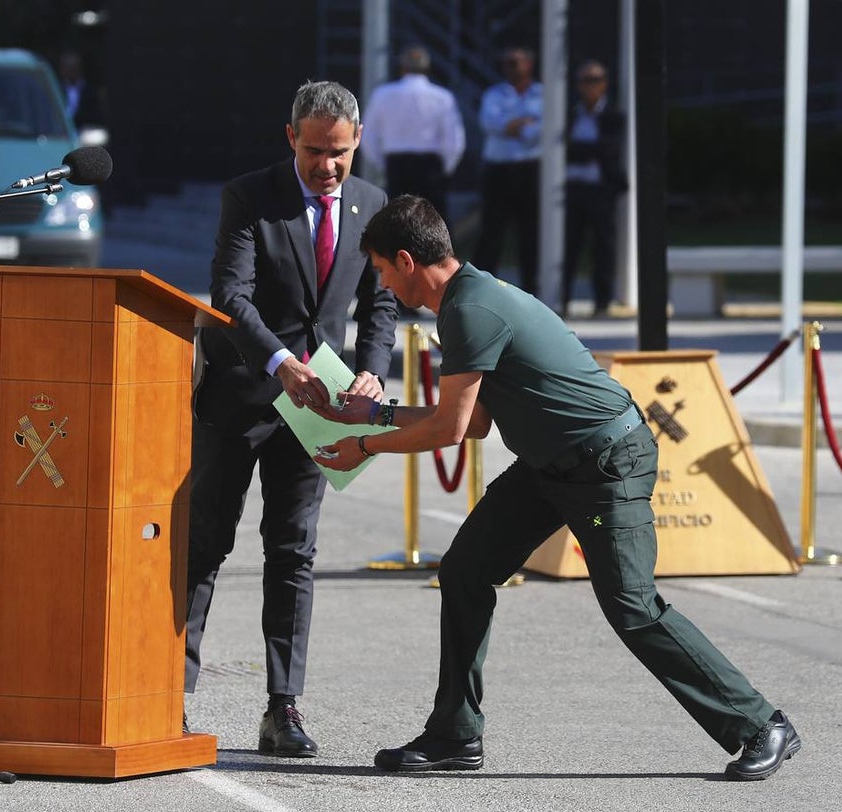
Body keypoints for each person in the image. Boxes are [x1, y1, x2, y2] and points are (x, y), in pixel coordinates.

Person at [313, 196, 801, 780]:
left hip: (605, 463)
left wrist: (363, 444)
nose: (383, 285)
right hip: (551, 465)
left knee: (631, 607)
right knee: (467, 569)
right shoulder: (469, 299)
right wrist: (367, 417)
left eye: (383, 272)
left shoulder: (470, 310)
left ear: (406, 259)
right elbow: (473, 422)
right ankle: (453, 736)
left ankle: (759, 724)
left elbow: (448, 429)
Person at [187, 80, 398, 759]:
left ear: (356, 142)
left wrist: (371, 368)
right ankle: (168, 694)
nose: (327, 166)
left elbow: (381, 304)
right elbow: (230, 295)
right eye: (314, 151)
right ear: (291, 138)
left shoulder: (372, 206)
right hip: (243, 396)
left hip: (319, 409)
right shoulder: (250, 196)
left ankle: (282, 707)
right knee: (205, 544)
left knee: (293, 553)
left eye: (338, 153)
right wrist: (280, 362)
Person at [363, 44, 466, 224]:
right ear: (427, 68)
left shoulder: (383, 94)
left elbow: (367, 136)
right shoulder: (442, 97)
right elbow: (454, 141)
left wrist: (383, 163)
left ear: (402, 67)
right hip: (430, 166)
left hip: (397, 164)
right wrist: (445, 168)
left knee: (397, 224)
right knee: (435, 224)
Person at [562, 59, 628, 317]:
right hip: (572, 190)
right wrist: (588, 150)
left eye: (595, 80)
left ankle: (602, 301)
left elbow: (609, 150)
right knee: (570, 246)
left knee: (603, 246)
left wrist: (579, 149)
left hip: (601, 190)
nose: (590, 86)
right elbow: (562, 149)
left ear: (605, 85)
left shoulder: (613, 115)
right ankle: (562, 299)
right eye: (585, 81)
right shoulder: (570, 114)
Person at [475, 46, 542, 297]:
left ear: (529, 64)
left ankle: (532, 290)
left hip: (529, 170)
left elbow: (541, 131)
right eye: (508, 62)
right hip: (498, 170)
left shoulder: (543, 94)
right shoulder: (494, 93)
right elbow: (489, 123)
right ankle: (480, 289)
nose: (512, 67)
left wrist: (512, 126)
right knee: (491, 232)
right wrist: (523, 124)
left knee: (530, 232)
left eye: (517, 61)